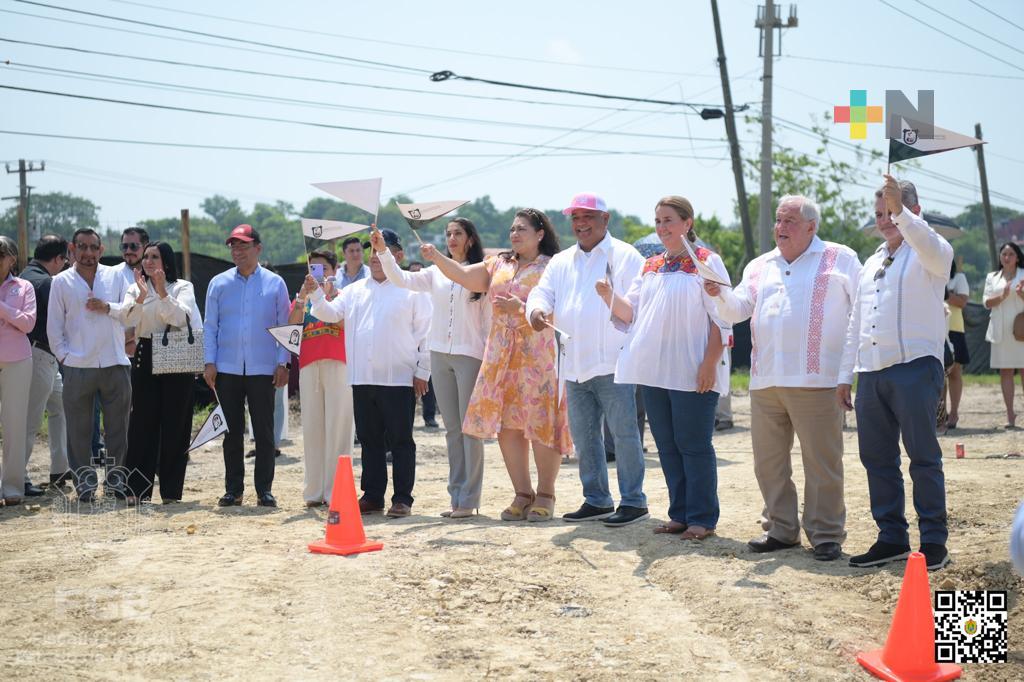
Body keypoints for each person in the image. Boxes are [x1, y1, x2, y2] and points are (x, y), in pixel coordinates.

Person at [707, 195, 861, 561]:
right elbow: (738, 310)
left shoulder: (841, 258)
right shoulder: (760, 265)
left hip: (818, 379)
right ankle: (781, 529)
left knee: (822, 462)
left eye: (790, 221)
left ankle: (825, 533)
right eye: (778, 220)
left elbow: (859, 316)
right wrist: (717, 292)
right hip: (765, 380)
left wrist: (847, 374)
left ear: (812, 227)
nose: (781, 228)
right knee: (768, 462)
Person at [422, 209, 571, 522]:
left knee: (540, 422)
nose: (514, 234)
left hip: (537, 354)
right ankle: (522, 492)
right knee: (508, 425)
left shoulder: (554, 266)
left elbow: (564, 309)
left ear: (540, 234)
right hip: (501, 354)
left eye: (522, 229)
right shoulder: (498, 263)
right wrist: (436, 256)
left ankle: (546, 493)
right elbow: (463, 276)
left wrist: (524, 307)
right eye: (512, 229)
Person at [838, 176, 954, 571]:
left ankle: (934, 540)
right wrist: (845, 375)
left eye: (892, 210)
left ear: (914, 211)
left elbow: (926, 244)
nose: (885, 219)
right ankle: (891, 537)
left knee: (922, 457)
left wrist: (903, 215)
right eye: (880, 213)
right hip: (871, 372)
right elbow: (855, 321)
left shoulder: (932, 251)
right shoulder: (870, 262)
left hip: (915, 367)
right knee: (877, 459)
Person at [600, 196, 731, 540]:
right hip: (655, 370)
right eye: (658, 221)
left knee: (694, 444)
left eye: (669, 220)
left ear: (688, 223)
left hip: (692, 367)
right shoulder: (651, 265)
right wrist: (609, 296)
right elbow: (631, 313)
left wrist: (709, 364)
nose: (662, 227)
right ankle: (680, 514)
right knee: (668, 444)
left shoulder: (706, 260)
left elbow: (722, 317)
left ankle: (702, 518)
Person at [526, 192, 648, 528]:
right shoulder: (562, 260)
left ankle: (634, 500)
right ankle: (596, 499)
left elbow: (636, 305)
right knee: (584, 436)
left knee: (624, 434)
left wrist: (611, 297)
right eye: (576, 218)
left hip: (613, 362)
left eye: (588, 217)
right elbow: (542, 292)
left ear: (604, 220)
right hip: (574, 362)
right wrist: (535, 309)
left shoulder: (625, 256)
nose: (581, 224)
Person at [309, 228, 431, 518]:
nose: (376, 256)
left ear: (397, 255)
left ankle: (402, 498)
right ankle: (373, 495)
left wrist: (423, 370)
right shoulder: (353, 290)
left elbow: (426, 332)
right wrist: (314, 292)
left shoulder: (412, 289)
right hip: (362, 378)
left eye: (382, 249)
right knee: (369, 440)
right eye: (373, 250)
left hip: (399, 377)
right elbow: (328, 313)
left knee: (401, 441)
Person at [380, 218, 491, 518]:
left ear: (470, 239)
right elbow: (401, 279)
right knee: (452, 429)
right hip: (439, 353)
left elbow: (489, 320)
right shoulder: (434, 274)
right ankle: (456, 497)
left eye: (458, 234)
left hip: (470, 354)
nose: (452, 238)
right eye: (448, 234)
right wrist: (382, 254)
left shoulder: (482, 271)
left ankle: (470, 498)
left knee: (471, 431)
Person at [203, 224, 290, 508]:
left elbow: (284, 326)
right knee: (231, 432)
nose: (237, 251)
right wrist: (209, 361)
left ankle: (264, 489)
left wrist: (283, 362)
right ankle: (234, 489)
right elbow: (210, 326)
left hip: (263, 367)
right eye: (233, 246)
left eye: (243, 245)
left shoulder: (275, 283)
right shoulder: (218, 283)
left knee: (264, 432)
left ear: (258, 248)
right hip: (227, 367)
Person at [48, 228, 132, 502]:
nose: (87, 253)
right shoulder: (61, 281)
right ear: (72, 249)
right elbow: (54, 327)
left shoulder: (115, 275)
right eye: (82, 247)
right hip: (78, 365)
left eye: (93, 248)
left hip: (114, 361)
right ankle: (85, 486)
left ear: (101, 250)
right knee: (78, 432)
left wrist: (107, 306)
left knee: (118, 429)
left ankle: (115, 483)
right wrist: (65, 358)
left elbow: (129, 312)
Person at [119, 241, 201, 504]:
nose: (148, 261)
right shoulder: (135, 288)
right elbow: (128, 321)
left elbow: (182, 319)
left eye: (154, 256)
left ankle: (171, 491)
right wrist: (143, 298)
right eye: (146, 257)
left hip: (177, 356)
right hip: (145, 355)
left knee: (176, 427)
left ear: (166, 261)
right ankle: (136, 490)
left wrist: (163, 292)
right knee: (142, 425)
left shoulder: (183, 287)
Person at [289, 248, 354, 508]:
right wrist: (305, 297)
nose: (317, 274)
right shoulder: (302, 298)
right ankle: (314, 490)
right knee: (313, 427)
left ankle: (336, 490)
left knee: (338, 427)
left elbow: (345, 324)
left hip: (339, 363)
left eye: (322, 269)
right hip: (309, 365)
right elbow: (291, 325)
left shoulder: (345, 296)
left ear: (334, 270)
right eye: (313, 269)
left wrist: (324, 298)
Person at [21, 234, 70, 495]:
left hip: (40, 356)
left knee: (60, 408)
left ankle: (60, 467)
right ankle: (18, 477)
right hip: (40, 355)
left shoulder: (24, 275)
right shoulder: (46, 283)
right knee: (29, 421)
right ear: (58, 258)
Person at [0, 236, 37, 506]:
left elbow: (28, 324)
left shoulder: (24, 286)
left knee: (14, 424)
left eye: (0, 255)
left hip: (17, 360)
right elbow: (18, 319)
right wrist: (12, 316)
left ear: (12, 258)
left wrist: (2, 308)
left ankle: (12, 486)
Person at [984, 242, 1024, 428]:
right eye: (1004, 254)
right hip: (1000, 330)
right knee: (1005, 372)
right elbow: (986, 303)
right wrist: (1003, 296)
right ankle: (1010, 414)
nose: (1006, 257)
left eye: (1011, 254)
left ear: (1017, 257)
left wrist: (1021, 295)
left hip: (1021, 329)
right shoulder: (992, 277)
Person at [405, 260, 440, 428]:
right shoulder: (404, 291)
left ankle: (429, 415)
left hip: (428, 340)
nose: (418, 275)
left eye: (420, 272)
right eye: (414, 272)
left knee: (428, 381)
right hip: (409, 342)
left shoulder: (432, 291)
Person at [943, 259, 970, 429]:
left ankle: (954, 413)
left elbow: (962, 302)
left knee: (954, 372)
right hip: (934, 328)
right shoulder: (927, 275)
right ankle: (940, 413)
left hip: (954, 328)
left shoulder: (959, 278)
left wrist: (945, 293)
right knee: (937, 374)